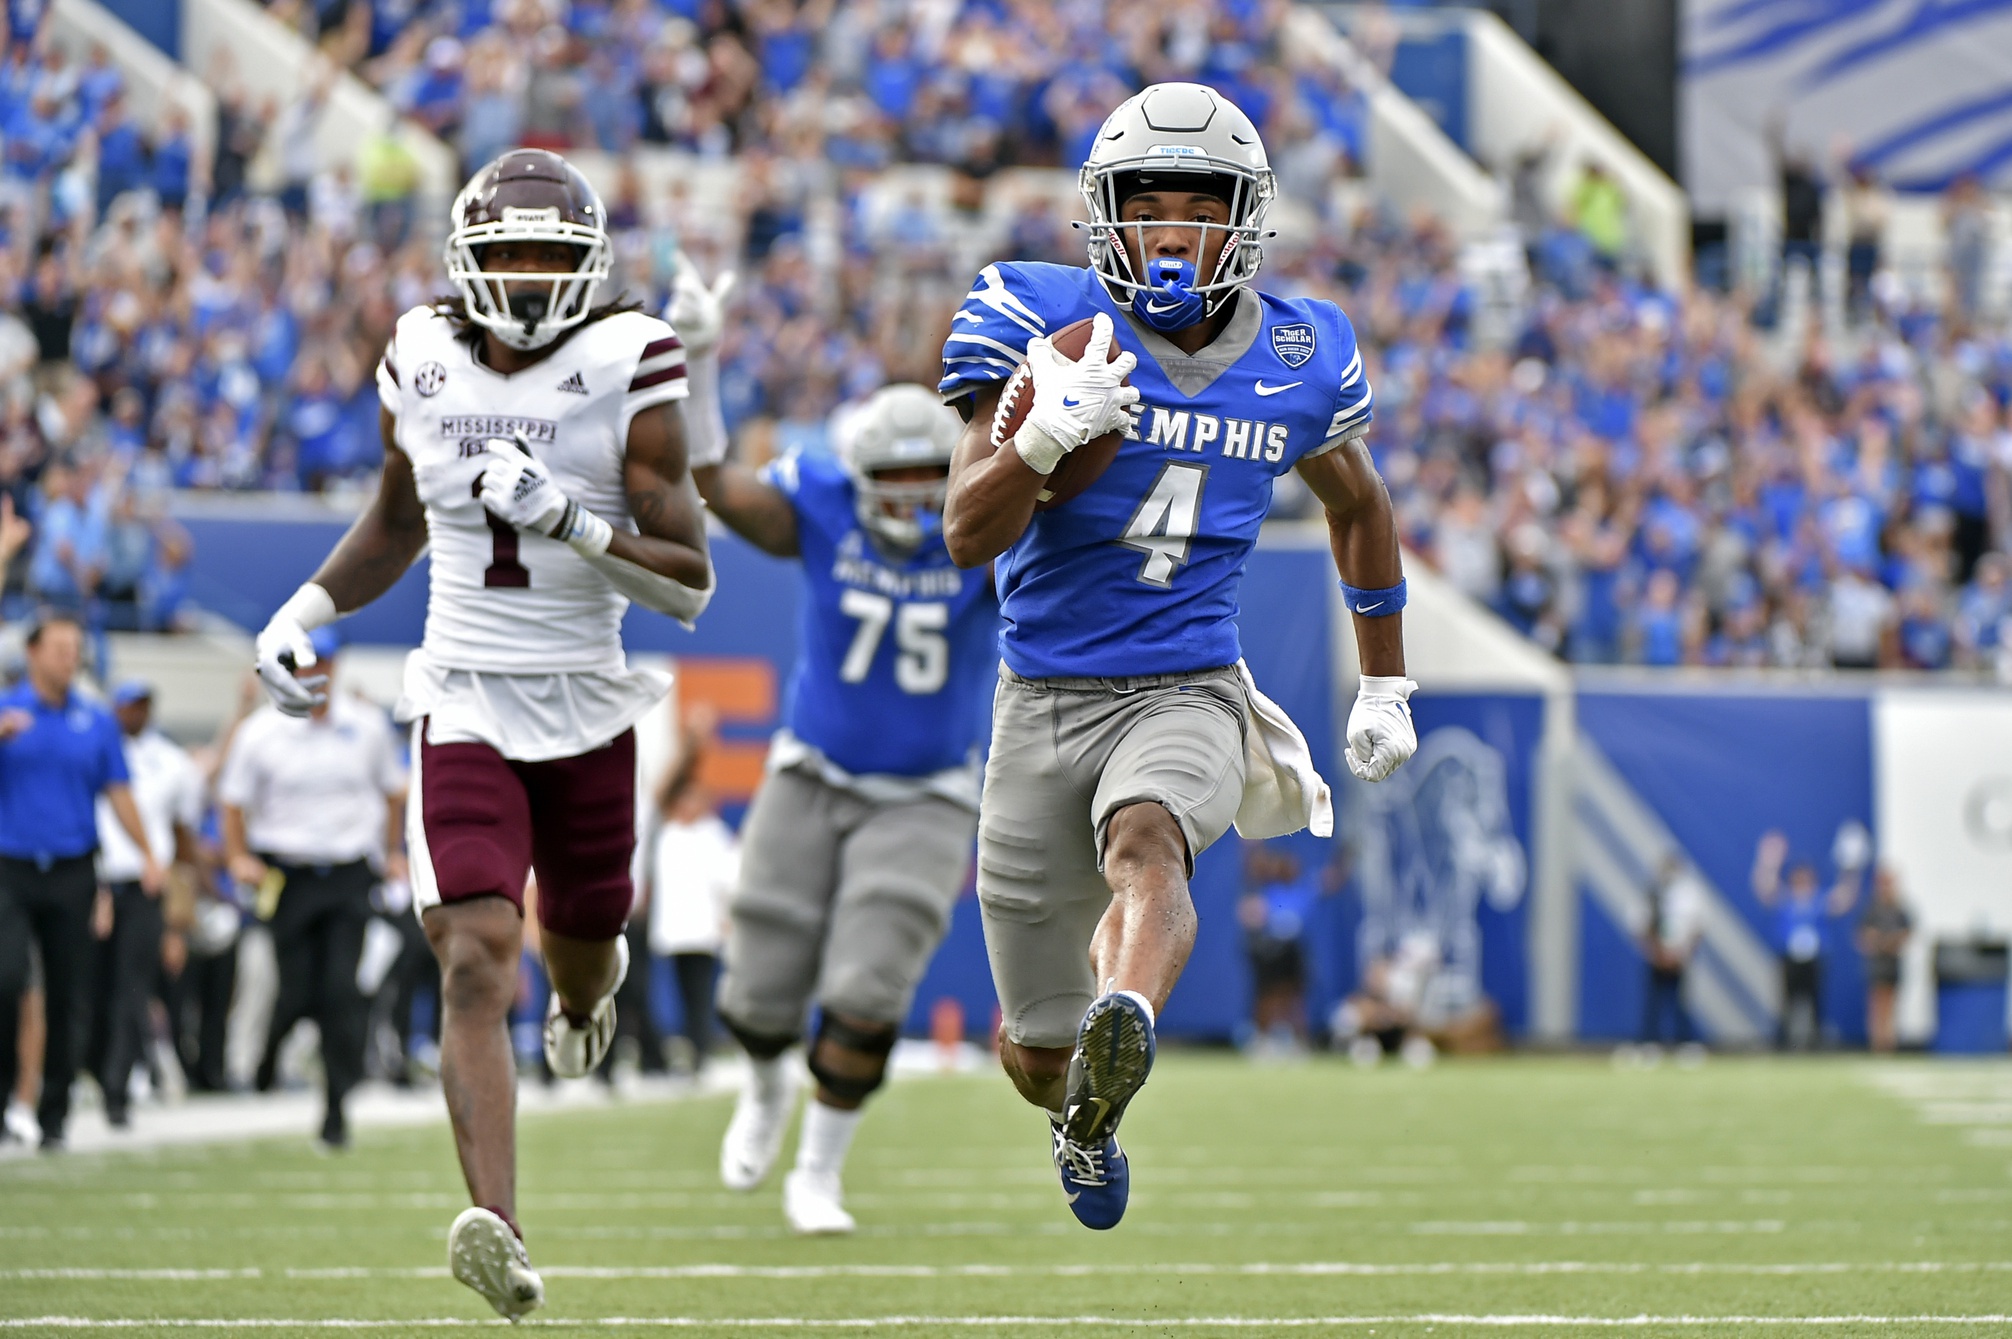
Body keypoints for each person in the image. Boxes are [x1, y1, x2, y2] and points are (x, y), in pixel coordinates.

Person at [937, 82, 1416, 1230]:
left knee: (1149, 843)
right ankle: (1080, 1110)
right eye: (1145, 205)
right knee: (1030, 1049)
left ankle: (1132, 1018)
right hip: (1039, 694)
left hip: (1185, 677)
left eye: (1196, 207)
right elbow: (965, 531)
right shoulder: (1040, 320)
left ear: (1241, 219)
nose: (1169, 231)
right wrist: (1043, 433)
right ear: (1103, 214)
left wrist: (1385, 676)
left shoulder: (1301, 350)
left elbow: (1357, 505)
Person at [248, 148, 712, 1320]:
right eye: (502, 253)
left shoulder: (630, 358)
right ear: (463, 260)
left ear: (589, 270)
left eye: (545, 258)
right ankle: (497, 1229)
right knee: (470, 952)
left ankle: (581, 1002)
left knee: (583, 941)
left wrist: (571, 521)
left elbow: (691, 583)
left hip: (588, 699)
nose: (521, 277)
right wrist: (303, 607)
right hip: (462, 692)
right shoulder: (419, 350)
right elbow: (398, 516)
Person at [681, 256, 1000, 1235]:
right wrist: (697, 366)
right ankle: (768, 1084)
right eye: (892, 484)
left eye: (927, 481)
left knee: (866, 988)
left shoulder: (987, 528)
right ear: (855, 478)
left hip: (926, 789)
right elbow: (711, 481)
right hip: (811, 770)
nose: (910, 503)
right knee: (756, 991)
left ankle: (816, 1170)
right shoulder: (818, 501)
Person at [217, 630, 407, 1149]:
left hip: (348, 873)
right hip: (290, 874)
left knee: (341, 991)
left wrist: (392, 852)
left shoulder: (365, 726)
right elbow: (232, 799)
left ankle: (335, 1106)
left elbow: (393, 792)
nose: (317, 669)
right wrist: (238, 857)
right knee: (296, 989)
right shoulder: (262, 731)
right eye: (307, 661)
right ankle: (269, 1051)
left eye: (324, 659)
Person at [0, 612, 162, 1150]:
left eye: (76, 648)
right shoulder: (7, 712)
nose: (70, 657)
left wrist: (147, 854)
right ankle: (8, 1098)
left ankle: (55, 1112)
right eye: (60, 647)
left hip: (73, 868)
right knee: (7, 978)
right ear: (33, 653)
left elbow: (118, 792)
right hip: (11, 867)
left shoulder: (95, 722)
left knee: (71, 994)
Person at [87, 680, 205, 1128]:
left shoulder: (171, 764)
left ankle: (117, 1088)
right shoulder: (92, 750)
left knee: (131, 989)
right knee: (90, 988)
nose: (130, 713)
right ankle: (96, 1073)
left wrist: (177, 920)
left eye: (138, 706)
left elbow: (182, 841)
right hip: (92, 881)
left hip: (144, 885)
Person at [640, 705, 735, 1079]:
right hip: (670, 928)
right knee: (676, 992)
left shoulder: (712, 834)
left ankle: (701, 1051)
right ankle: (674, 1053)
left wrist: (725, 919)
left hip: (703, 929)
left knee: (699, 994)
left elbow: (728, 880)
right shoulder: (664, 831)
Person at [1639, 853, 1705, 1050]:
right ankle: (1649, 1042)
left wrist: (1682, 952)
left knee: (1682, 1002)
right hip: (1657, 957)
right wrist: (1656, 952)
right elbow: (1641, 926)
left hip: (1680, 957)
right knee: (1654, 1002)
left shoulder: (1689, 894)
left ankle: (1684, 1042)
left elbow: (1697, 927)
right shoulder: (1652, 891)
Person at [1855, 865, 1911, 1054]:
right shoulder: (1871, 908)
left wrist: (1891, 942)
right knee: (1876, 1002)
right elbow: (1863, 935)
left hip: (1892, 962)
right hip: (1877, 963)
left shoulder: (1899, 909)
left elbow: (1907, 933)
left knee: (1891, 1002)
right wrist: (1878, 940)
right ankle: (1877, 1042)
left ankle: (1889, 1041)